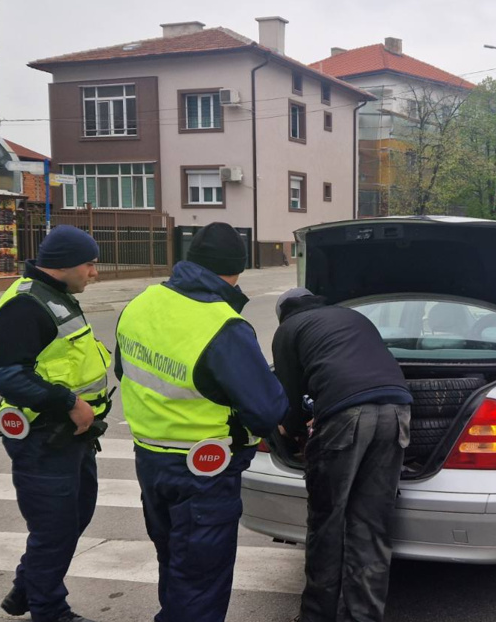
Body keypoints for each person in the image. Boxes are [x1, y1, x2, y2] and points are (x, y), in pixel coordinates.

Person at [115, 222, 288, 622]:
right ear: (236, 270)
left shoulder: (141, 303)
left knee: (175, 566)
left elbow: (126, 370)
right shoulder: (222, 325)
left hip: (151, 462)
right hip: (203, 472)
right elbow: (266, 409)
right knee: (199, 583)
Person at [0, 225, 111, 622]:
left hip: (70, 438)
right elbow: (9, 376)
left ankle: (27, 587)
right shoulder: (25, 306)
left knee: (76, 516)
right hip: (43, 439)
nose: (95, 273)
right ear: (62, 266)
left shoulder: (55, 295)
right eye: (90, 264)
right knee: (54, 529)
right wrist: (69, 402)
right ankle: (49, 610)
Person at [273, 288, 413, 622]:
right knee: (372, 523)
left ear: (283, 313)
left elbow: (290, 397)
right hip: (398, 410)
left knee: (327, 523)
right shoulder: (353, 317)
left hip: (345, 416)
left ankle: (316, 617)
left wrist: (289, 431)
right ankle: (363, 616)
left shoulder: (289, 330)